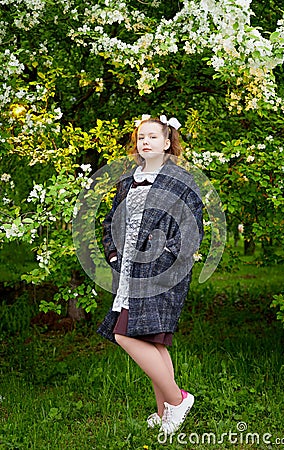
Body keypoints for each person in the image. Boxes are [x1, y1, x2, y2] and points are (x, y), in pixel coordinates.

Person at [97, 114, 204, 435]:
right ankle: (164, 414)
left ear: (168, 142)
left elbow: (191, 228)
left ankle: (177, 399)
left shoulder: (180, 180)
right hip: (128, 270)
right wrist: (113, 252)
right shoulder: (128, 180)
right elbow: (110, 221)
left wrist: (168, 257)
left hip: (161, 272)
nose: (145, 141)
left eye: (153, 137)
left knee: (124, 333)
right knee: (151, 338)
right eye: (141, 137)